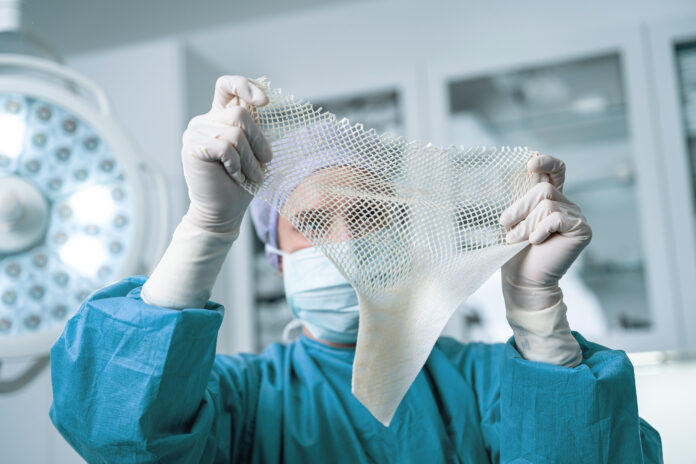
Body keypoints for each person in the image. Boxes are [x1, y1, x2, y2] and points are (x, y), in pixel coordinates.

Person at [49, 76, 662, 463]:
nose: (344, 242)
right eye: (313, 223)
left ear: (406, 236)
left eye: (369, 215)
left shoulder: (487, 385)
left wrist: (535, 307)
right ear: (277, 258)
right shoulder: (242, 401)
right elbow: (115, 430)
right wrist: (205, 227)